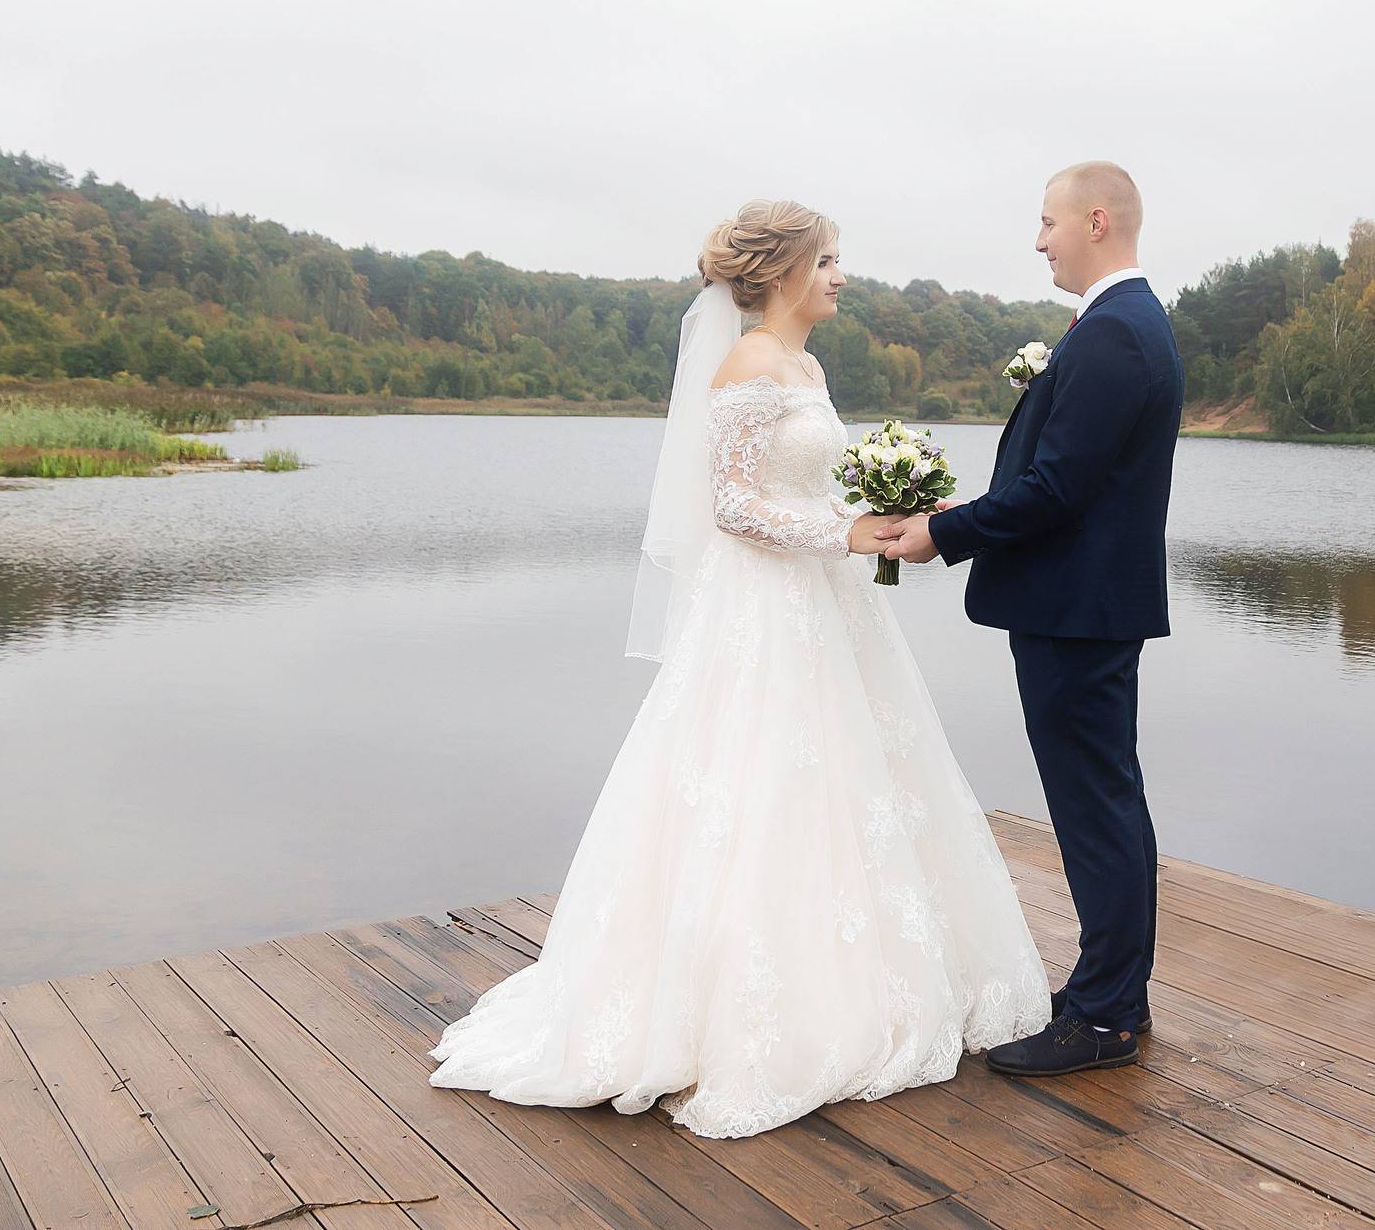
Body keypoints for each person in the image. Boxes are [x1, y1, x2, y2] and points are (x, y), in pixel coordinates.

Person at [428, 199, 1048, 1138]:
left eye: (840, 257)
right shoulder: (750, 363)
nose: (841, 273)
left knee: (855, 783)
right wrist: (845, 530)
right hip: (764, 608)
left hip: (832, 605)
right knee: (760, 785)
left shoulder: (807, 365)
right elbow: (734, 509)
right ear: (781, 273)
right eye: (828, 259)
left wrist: (894, 503)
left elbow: (801, 484)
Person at [879, 161, 1182, 1077]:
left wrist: (940, 531)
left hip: (1077, 610)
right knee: (1105, 798)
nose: (1039, 239)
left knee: (1096, 805)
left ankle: (1105, 1017)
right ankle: (1111, 991)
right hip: (1084, 606)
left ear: (1097, 220)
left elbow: (1057, 487)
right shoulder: (1121, 326)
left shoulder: (1116, 336)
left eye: (1047, 222)